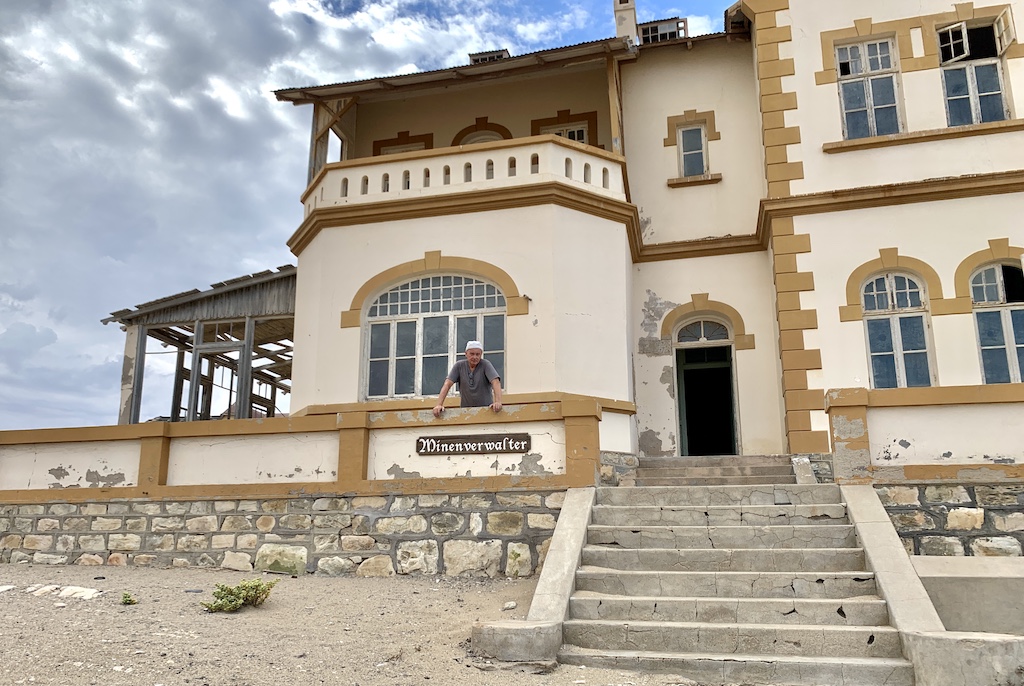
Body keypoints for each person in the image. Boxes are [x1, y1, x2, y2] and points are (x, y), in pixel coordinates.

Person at [432, 340, 502, 417]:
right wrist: (439, 405)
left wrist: (497, 402)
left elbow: (495, 382)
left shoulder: (485, 364)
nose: (475, 357)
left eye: (477, 354)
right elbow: (447, 384)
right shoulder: (459, 366)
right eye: (472, 354)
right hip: (466, 412)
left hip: (486, 411)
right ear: (466, 354)